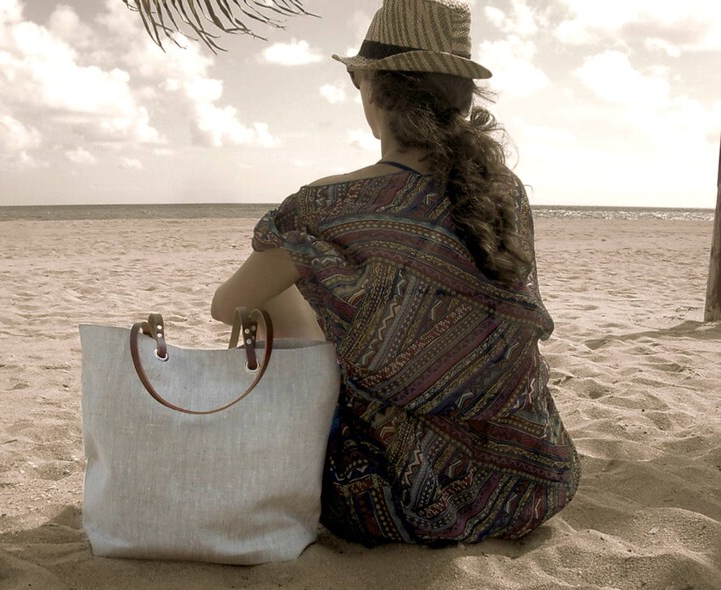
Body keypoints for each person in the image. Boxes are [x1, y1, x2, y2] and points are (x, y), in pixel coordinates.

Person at [211, 0, 580, 546]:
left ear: (375, 89)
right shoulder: (502, 191)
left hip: (401, 500)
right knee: (335, 286)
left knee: (276, 293)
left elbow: (227, 306)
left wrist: (320, 291)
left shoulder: (325, 206)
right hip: (533, 479)